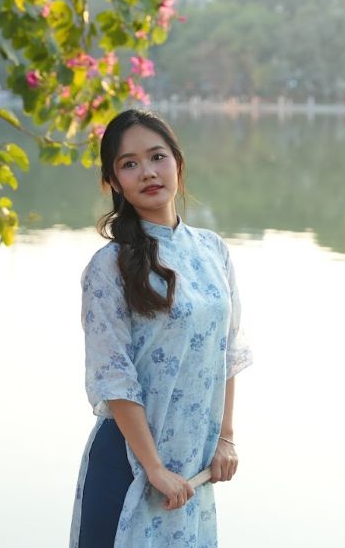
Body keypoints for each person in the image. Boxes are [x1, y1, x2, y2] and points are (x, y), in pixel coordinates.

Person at [69, 108, 252, 547]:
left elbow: (226, 350)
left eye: (157, 157)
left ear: (178, 162)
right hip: (131, 467)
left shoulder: (213, 250)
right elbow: (114, 377)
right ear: (114, 182)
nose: (147, 172)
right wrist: (153, 468)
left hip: (193, 468)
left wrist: (225, 439)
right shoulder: (107, 268)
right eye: (129, 164)